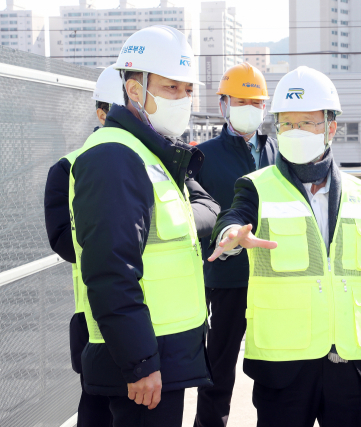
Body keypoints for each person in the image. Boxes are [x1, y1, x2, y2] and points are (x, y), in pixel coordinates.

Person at [61, 25, 219, 427]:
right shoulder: (115, 156)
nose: (183, 99)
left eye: (188, 90)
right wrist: (140, 363)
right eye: (170, 88)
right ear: (134, 90)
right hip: (145, 368)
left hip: (165, 357)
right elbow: (111, 271)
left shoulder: (151, 154)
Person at [208, 66, 361, 427]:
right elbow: (234, 216)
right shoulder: (256, 186)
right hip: (283, 368)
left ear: (331, 128)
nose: (295, 131)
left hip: (349, 366)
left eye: (307, 122)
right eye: (287, 123)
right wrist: (232, 235)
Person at [193, 62, 277, 427]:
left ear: (264, 107)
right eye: (239, 101)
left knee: (275, 367)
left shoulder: (278, 152)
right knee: (218, 368)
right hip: (225, 277)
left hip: (273, 277)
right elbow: (197, 213)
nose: (248, 109)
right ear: (224, 104)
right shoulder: (203, 156)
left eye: (255, 102)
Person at [44, 63, 125, 427]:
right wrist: (113, 243)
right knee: (96, 402)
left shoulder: (156, 163)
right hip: (93, 314)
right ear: (101, 112)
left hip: (156, 316)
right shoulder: (68, 167)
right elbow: (62, 239)